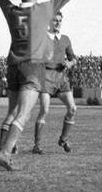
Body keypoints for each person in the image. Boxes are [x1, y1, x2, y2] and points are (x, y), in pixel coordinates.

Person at [0, 0, 74, 170]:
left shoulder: (12, 10)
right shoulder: (42, 10)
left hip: (12, 66)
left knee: (12, 112)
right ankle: (4, 153)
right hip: (32, 68)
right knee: (24, 113)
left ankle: (1, 151)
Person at [31, 10, 78, 154]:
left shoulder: (65, 39)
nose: (57, 23)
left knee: (73, 109)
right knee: (44, 110)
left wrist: (69, 64)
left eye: (59, 20)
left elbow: (73, 58)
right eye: (55, 20)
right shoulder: (42, 38)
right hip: (45, 77)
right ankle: (37, 145)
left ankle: (63, 139)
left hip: (61, 78)